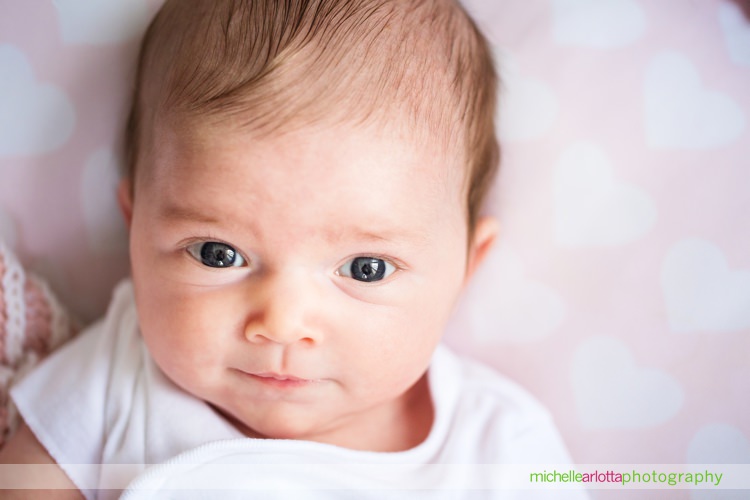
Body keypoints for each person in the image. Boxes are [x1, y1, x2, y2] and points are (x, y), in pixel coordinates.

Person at [0, 0, 587, 498]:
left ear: (464, 270)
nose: (281, 324)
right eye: (217, 254)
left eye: (366, 267)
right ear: (135, 233)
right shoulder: (120, 373)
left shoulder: (499, 449)